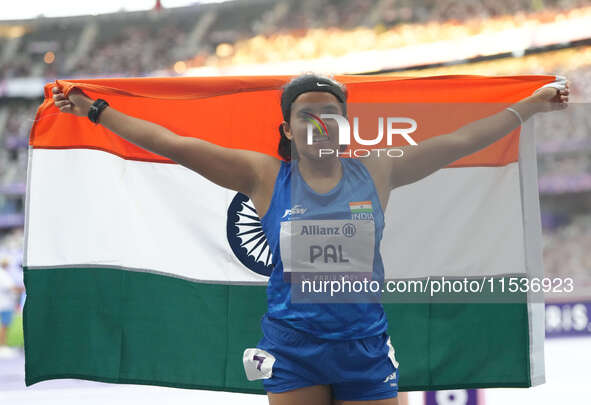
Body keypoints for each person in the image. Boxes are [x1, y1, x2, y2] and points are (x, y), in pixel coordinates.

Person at [52, 73, 568, 405]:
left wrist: (529, 106)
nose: (321, 122)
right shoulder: (262, 175)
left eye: (332, 114)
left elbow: (459, 141)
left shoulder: (378, 172)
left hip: (365, 348)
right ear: (288, 127)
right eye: (307, 114)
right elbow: (175, 145)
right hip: (292, 349)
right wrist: (96, 113)